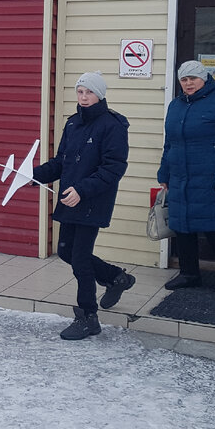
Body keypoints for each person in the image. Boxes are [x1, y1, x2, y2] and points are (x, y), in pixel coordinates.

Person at [32, 72, 134, 340]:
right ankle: (116, 277)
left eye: (89, 92)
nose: (84, 97)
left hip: (92, 201)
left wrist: (82, 190)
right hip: (71, 199)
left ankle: (88, 318)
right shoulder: (73, 124)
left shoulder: (112, 126)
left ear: (100, 94)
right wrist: (32, 175)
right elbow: (61, 163)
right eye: (80, 92)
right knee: (66, 252)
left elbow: (113, 168)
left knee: (79, 260)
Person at [157, 59, 215, 293]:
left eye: (193, 79)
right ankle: (189, 273)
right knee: (183, 226)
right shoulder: (175, 106)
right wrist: (164, 172)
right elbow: (170, 144)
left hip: (212, 176)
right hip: (181, 176)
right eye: (184, 79)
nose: (188, 84)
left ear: (205, 78)